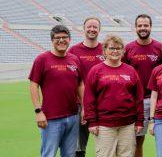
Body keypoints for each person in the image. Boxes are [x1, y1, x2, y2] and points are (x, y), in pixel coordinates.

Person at [84, 35, 144, 157]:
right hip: (104, 125)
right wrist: (92, 122)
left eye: (118, 48)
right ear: (105, 50)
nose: (115, 51)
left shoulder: (130, 71)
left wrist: (139, 121)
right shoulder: (96, 71)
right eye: (111, 48)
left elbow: (139, 98)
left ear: (123, 51)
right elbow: (89, 98)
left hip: (127, 124)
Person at [29, 25, 84, 157]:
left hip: (72, 116)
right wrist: (38, 111)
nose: (61, 40)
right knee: (49, 154)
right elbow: (33, 85)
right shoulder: (42, 59)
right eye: (57, 38)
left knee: (70, 155)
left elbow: (80, 85)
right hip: (51, 119)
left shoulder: (74, 59)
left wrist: (84, 108)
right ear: (52, 40)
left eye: (64, 37)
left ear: (69, 39)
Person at [123, 14, 162, 157]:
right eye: (140, 25)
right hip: (134, 101)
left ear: (151, 27)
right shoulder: (128, 49)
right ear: (135, 28)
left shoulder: (160, 47)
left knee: (161, 139)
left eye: (145, 25)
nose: (143, 28)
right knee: (135, 140)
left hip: (155, 100)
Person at [69, 17, 104, 157]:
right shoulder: (74, 50)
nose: (92, 29)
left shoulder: (105, 49)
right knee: (78, 147)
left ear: (99, 30)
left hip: (102, 104)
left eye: (95, 27)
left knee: (104, 144)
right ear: (84, 29)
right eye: (89, 27)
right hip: (79, 105)